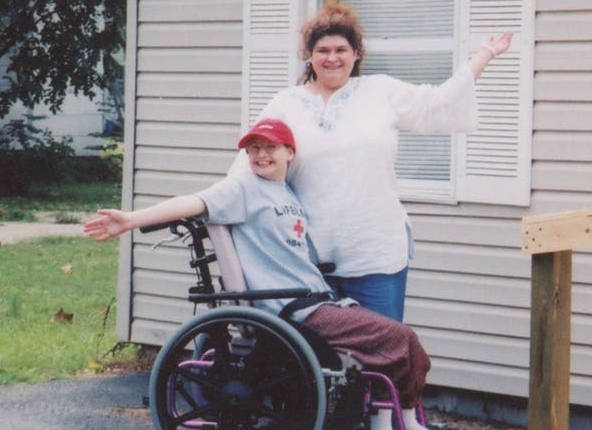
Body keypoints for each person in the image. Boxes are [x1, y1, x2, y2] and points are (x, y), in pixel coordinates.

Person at [84, 118, 432, 430]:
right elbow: (193, 202)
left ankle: (391, 419)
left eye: (270, 148)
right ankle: (402, 422)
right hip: (292, 308)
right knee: (400, 340)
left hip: (317, 300)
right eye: (254, 149)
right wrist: (130, 220)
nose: (261, 155)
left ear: (289, 153)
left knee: (388, 344)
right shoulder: (243, 187)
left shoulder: (288, 193)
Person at [238, 0, 511, 320]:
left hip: (376, 255)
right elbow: (248, 166)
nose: (332, 58)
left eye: (341, 49)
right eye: (322, 50)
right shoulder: (285, 103)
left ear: (356, 54)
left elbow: (438, 104)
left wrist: (484, 55)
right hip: (309, 260)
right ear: (309, 56)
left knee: (382, 357)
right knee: (319, 363)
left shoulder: (381, 91)